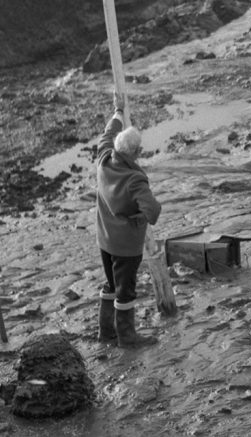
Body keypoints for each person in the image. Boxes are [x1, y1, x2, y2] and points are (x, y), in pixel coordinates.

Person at [95, 91, 162, 347]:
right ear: (136, 152)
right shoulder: (135, 179)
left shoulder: (103, 158)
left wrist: (118, 111)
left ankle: (106, 332)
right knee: (125, 291)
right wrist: (137, 217)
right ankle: (127, 337)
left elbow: (107, 133)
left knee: (111, 283)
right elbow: (153, 213)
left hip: (104, 238)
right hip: (125, 245)